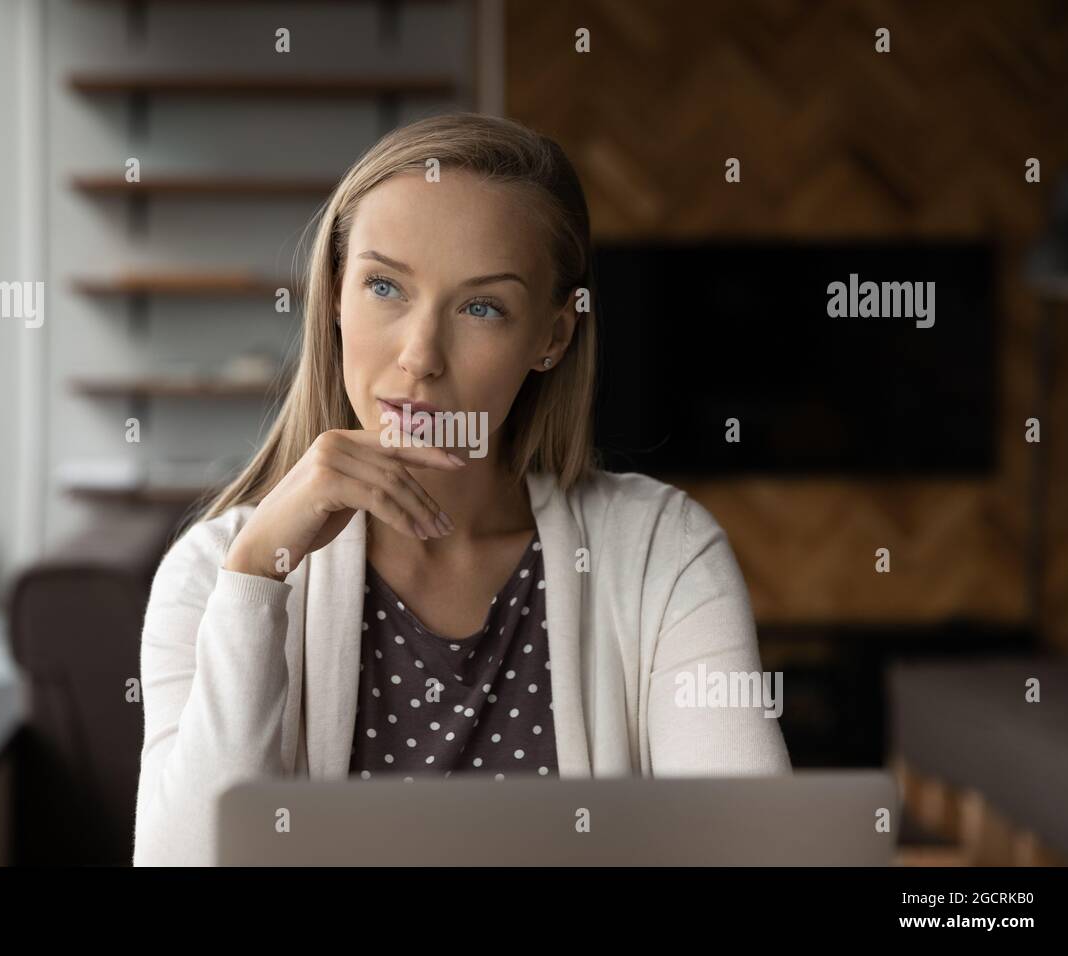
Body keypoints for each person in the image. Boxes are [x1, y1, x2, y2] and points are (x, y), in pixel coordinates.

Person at [132, 111, 790, 866]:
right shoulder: (219, 569)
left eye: (482, 307)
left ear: (550, 338)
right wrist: (253, 582)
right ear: (336, 299)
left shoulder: (662, 555)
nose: (419, 355)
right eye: (385, 286)